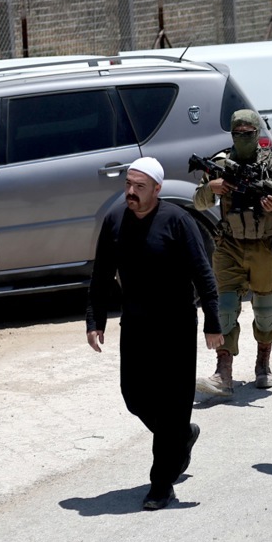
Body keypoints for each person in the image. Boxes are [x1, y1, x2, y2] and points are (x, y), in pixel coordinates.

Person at [86, 157, 223, 511]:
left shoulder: (177, 221)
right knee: (135, 397)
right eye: (128, 184)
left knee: (173, 405)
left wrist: (212, 322)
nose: (131, 192)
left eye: (139, 186)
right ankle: (182, 436)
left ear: (157, 189)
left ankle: (161, 485)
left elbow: (203, 273)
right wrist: (94, 319)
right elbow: (102, 274)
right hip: (136, 324)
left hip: (176, 326)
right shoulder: (115, 219)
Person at [193, 109, 272, 396]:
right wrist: (211, 188)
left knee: (265, 309)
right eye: (237, 133)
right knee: (225, 307)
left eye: (248, 133)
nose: (242, 138)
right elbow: (199, 202)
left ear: (257, 133)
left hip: (265, 246)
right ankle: (223, 373)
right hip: (230, 245)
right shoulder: (220, 164)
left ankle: (263, 362)